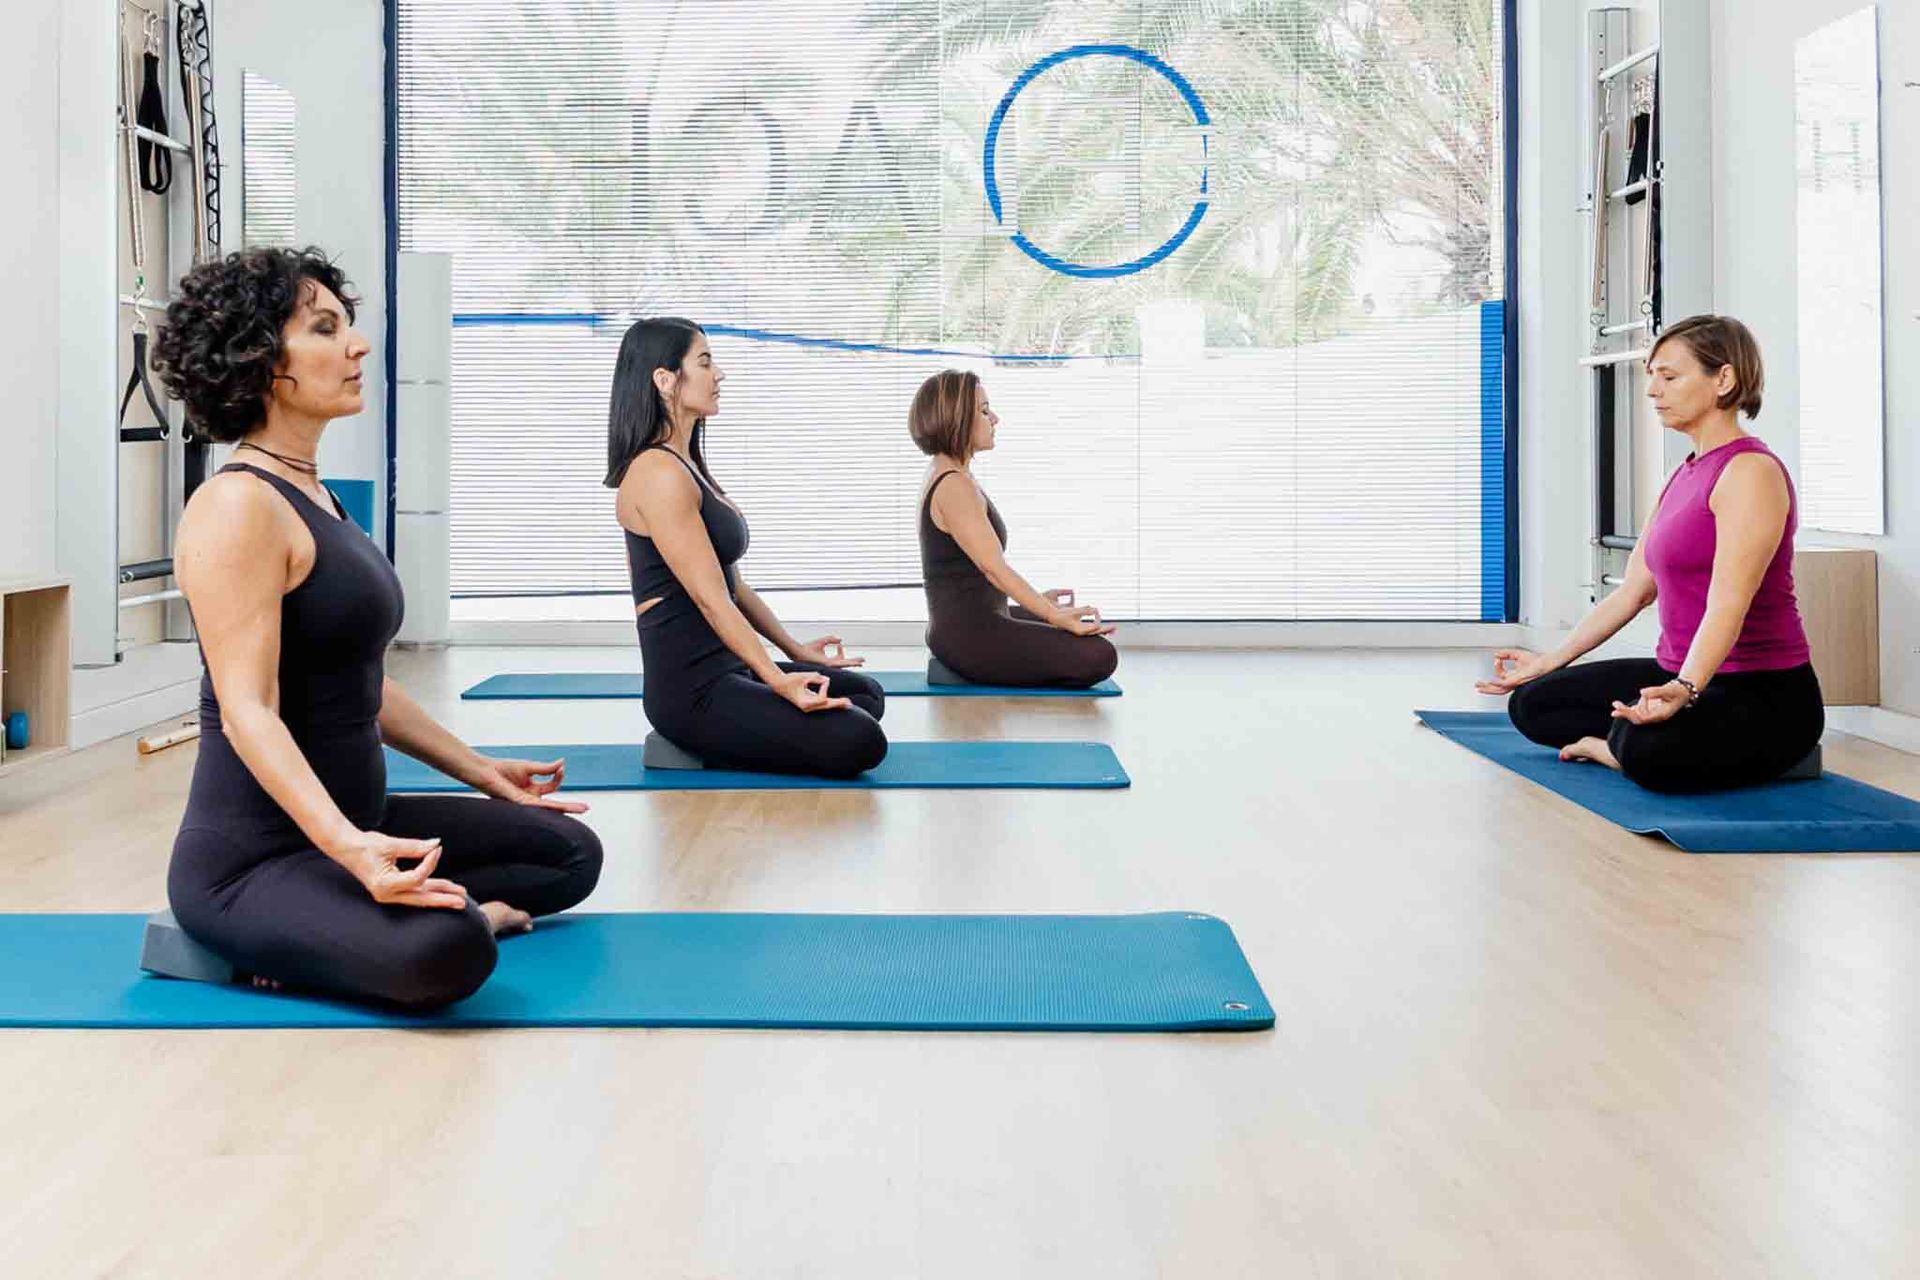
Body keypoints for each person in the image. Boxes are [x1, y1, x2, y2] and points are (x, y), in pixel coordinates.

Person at [153, 247, 602, 1009]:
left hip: (363, 821)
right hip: (256, 861)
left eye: (348, 326)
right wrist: (349, 850)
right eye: (326, 329)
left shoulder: (316, 494)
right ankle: (244, 942)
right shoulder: (236, 507)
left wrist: (482, 771)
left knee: (566, 854)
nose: (358, 345)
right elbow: (247, 709)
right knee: (452, 946)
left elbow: (361, 682)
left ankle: (353, 921)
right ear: (261, 360)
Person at [1476, 315, 1823, 792]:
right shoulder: (1684, 474)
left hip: (1761, 691)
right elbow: (1632, 593)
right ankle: (1637, 741)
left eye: (1670, 376)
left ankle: (1622, 750)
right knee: (1534, 704)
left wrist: (1683, 690)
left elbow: (1728, 604)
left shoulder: (1750, 473)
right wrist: (1550, 660)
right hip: (1677, 674)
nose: (1653, 390)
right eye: (1651, 376)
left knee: (1646, 750)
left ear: (1723, 379)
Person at [606, 317, 887, 776]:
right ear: (664, 379)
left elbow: (732, 585)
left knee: (865, 694)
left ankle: (747, 726)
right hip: (692, 691)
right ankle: (687, 741)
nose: (719, 374)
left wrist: (795, 651)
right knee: (860, 739)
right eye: (704, 362)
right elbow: (710, 599)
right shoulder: (657, 475)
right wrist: (778, 681)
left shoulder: (687, 463)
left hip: (731, 667)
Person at [908, 370, 1117, 687]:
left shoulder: (951, 472)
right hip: (968, 637)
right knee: (1099, 656)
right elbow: (993, 569)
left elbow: (972, 576)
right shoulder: (953, 486)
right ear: (957, 419)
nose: (995, 418)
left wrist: (1041, 604)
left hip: (969, 622)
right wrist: (1050, 615)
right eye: (983, 410)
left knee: (1075, 620)